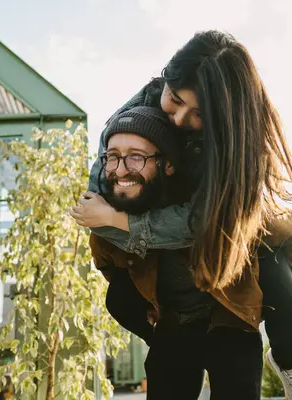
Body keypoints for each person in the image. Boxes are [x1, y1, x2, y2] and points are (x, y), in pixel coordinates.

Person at [71, 31, 292, 400]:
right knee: (124, 302)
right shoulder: (141, 109)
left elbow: (202, 225)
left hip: (235, 239)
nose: (179, 119)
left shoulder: (241, 151)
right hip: (177, 287)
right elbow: (102, 195)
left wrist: (120, 220)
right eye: (175, 100)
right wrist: (107, 212)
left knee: (287, 303)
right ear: (167, 78)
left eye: (198, 114)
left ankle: (288, 363)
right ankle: (170, 338)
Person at [88, 105, 268, 399]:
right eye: (112, 157)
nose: (120, 170)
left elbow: (290, 235)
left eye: (136, 157)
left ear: (167, 164)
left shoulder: (209, 202)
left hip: (227, 318)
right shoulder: (108, 221)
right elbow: (109, 266)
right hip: (173, 325)